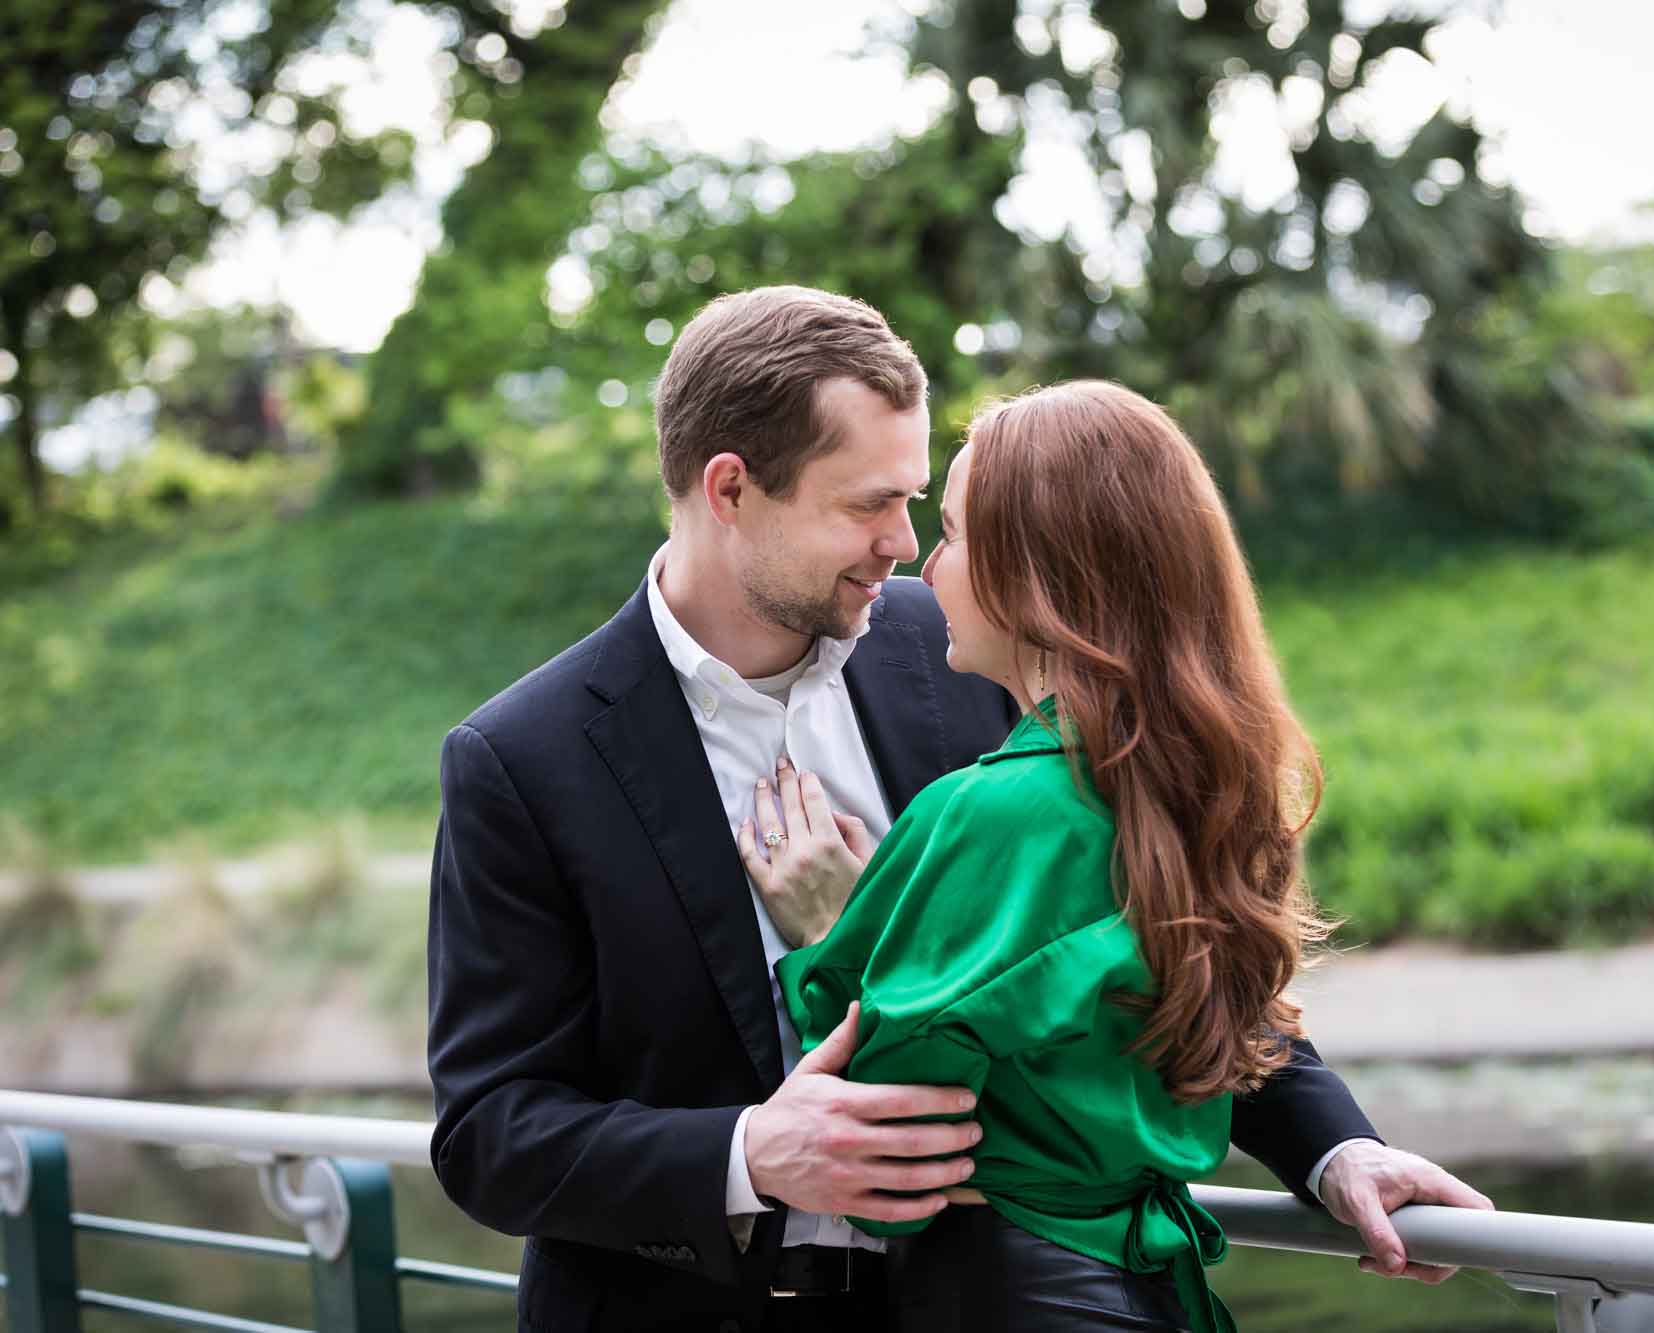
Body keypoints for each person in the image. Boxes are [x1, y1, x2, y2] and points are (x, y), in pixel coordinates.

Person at [427, 286, 1488, 1333]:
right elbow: (488, 1131)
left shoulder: (968, 646)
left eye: (914, 499)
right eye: (863, 505)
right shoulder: (520, 759)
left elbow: (1149, 940)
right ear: (730, 488)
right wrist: (747, 1152)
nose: (902, 543)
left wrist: (1334, 1149)